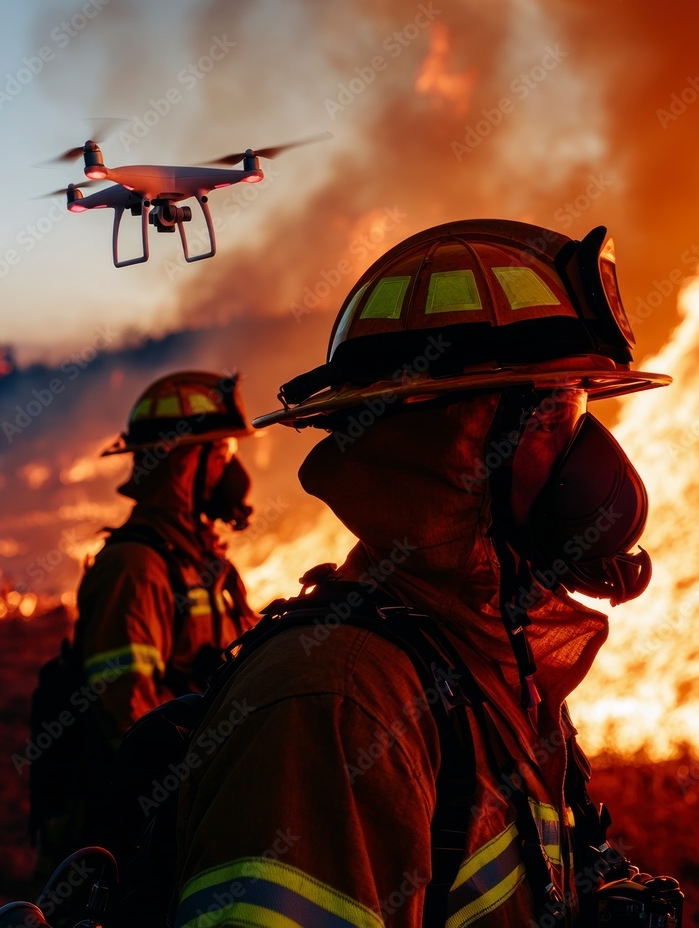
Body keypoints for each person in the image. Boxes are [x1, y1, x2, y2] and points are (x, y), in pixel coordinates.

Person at [172, 221, 673, 927]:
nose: (588, 453)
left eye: (578, 410)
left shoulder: (487, 655)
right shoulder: (339, 704)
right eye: (550, 417)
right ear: (455, 448)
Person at [31, 370, 259, 864]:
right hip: (140, 835)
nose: (234, 471)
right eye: (223, 452)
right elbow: (130, 719)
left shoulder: (205, 566)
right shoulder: (135, 569)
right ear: (184, 463)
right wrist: (205, 792)